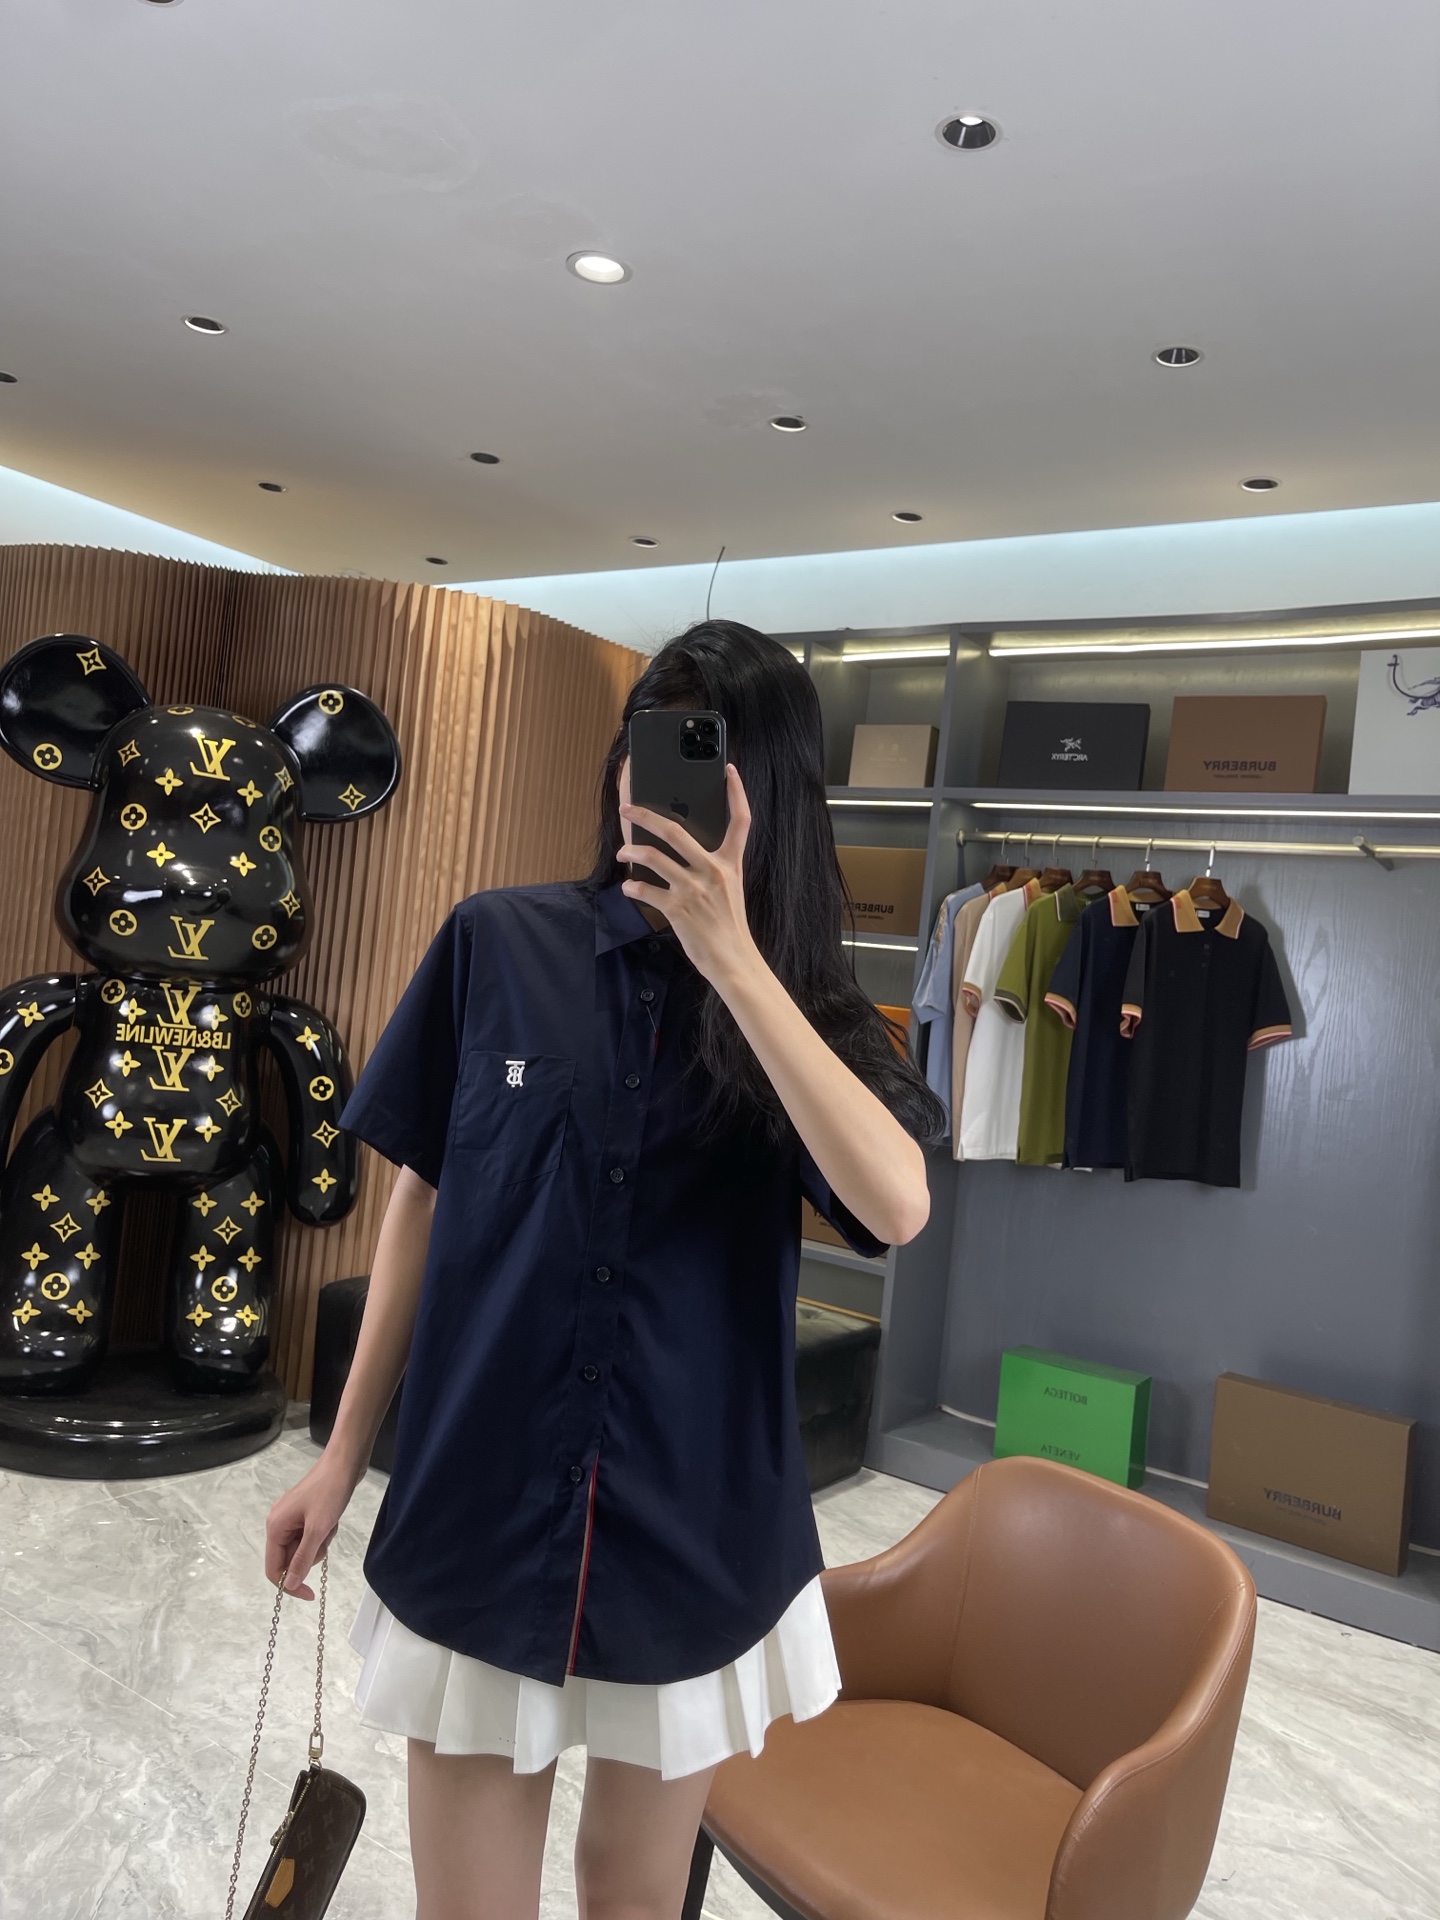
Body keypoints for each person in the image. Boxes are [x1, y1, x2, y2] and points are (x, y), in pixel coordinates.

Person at [265, 620, 945, 1920]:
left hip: (689, 1524)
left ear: (766, 794)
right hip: (482, 1500)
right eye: (646, 745)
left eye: (701, 754)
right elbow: (422, 1201)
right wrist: (342, 1455)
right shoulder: (496, 944)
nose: (655, 783)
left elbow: (895, 1204)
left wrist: (734, 961)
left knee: (631, 1898)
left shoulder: (807, 1017)